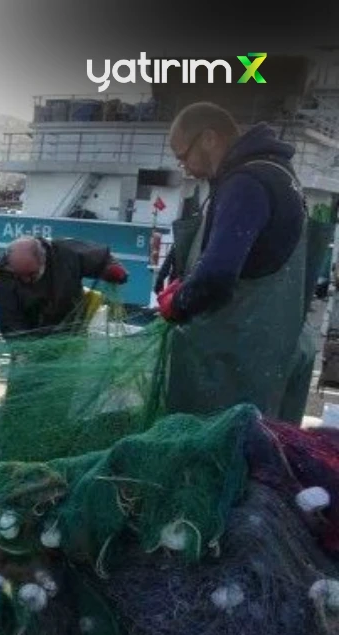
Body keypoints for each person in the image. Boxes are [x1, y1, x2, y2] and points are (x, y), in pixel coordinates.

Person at [156, 101, 313, 423]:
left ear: (209, 139)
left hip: (226, 375)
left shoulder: (245, 184)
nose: (183, 167)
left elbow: (217, 275)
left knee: (209, 463)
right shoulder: (280, 174)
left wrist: (179, 302)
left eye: (182, 155)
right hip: (265, 369)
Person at [0, 235, 128, 339]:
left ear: (43, 260)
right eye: (20, 275)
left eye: (31, 274)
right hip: (31, 330)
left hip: (70, 327)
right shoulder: (6, 276)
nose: (26, 280)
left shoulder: (66, 253)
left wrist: (112, 269)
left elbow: (101, 259)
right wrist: (22, 348)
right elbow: (9, 320)